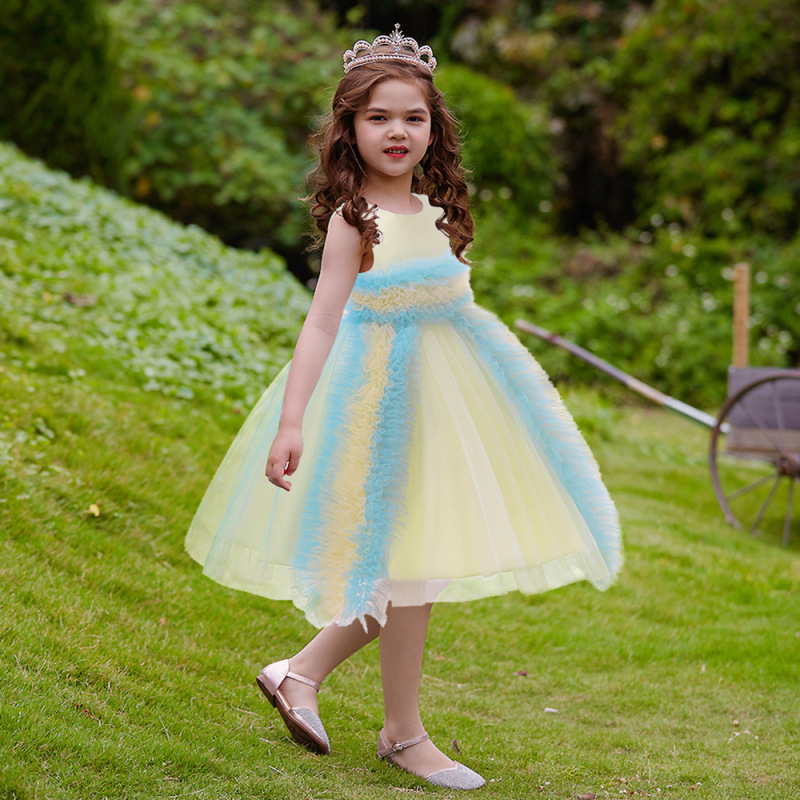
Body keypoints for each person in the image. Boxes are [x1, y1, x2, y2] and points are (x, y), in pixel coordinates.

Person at [185, 24, 623, 791]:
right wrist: (293, 420)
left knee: (419, 564)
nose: (397, 131)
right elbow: (321, 324)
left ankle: (314, 681)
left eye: (413, 117)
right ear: (350, 128)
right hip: (373, 408)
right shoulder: (356, 219)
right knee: (400, 567)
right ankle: (385, 723)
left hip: (443, 408)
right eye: (379, 117)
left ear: (434, 129)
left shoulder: (439, 212)